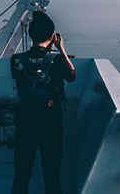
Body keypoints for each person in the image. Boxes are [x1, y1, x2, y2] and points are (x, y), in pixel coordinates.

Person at [10, 11, 76, 194]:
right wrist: (60, 48)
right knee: (52, 176)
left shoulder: (16, 60)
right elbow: (72, 76)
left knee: (21, 176)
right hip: (51, 125)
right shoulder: (56, 60)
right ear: (52, 37)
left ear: (31, 35)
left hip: (25, 125)